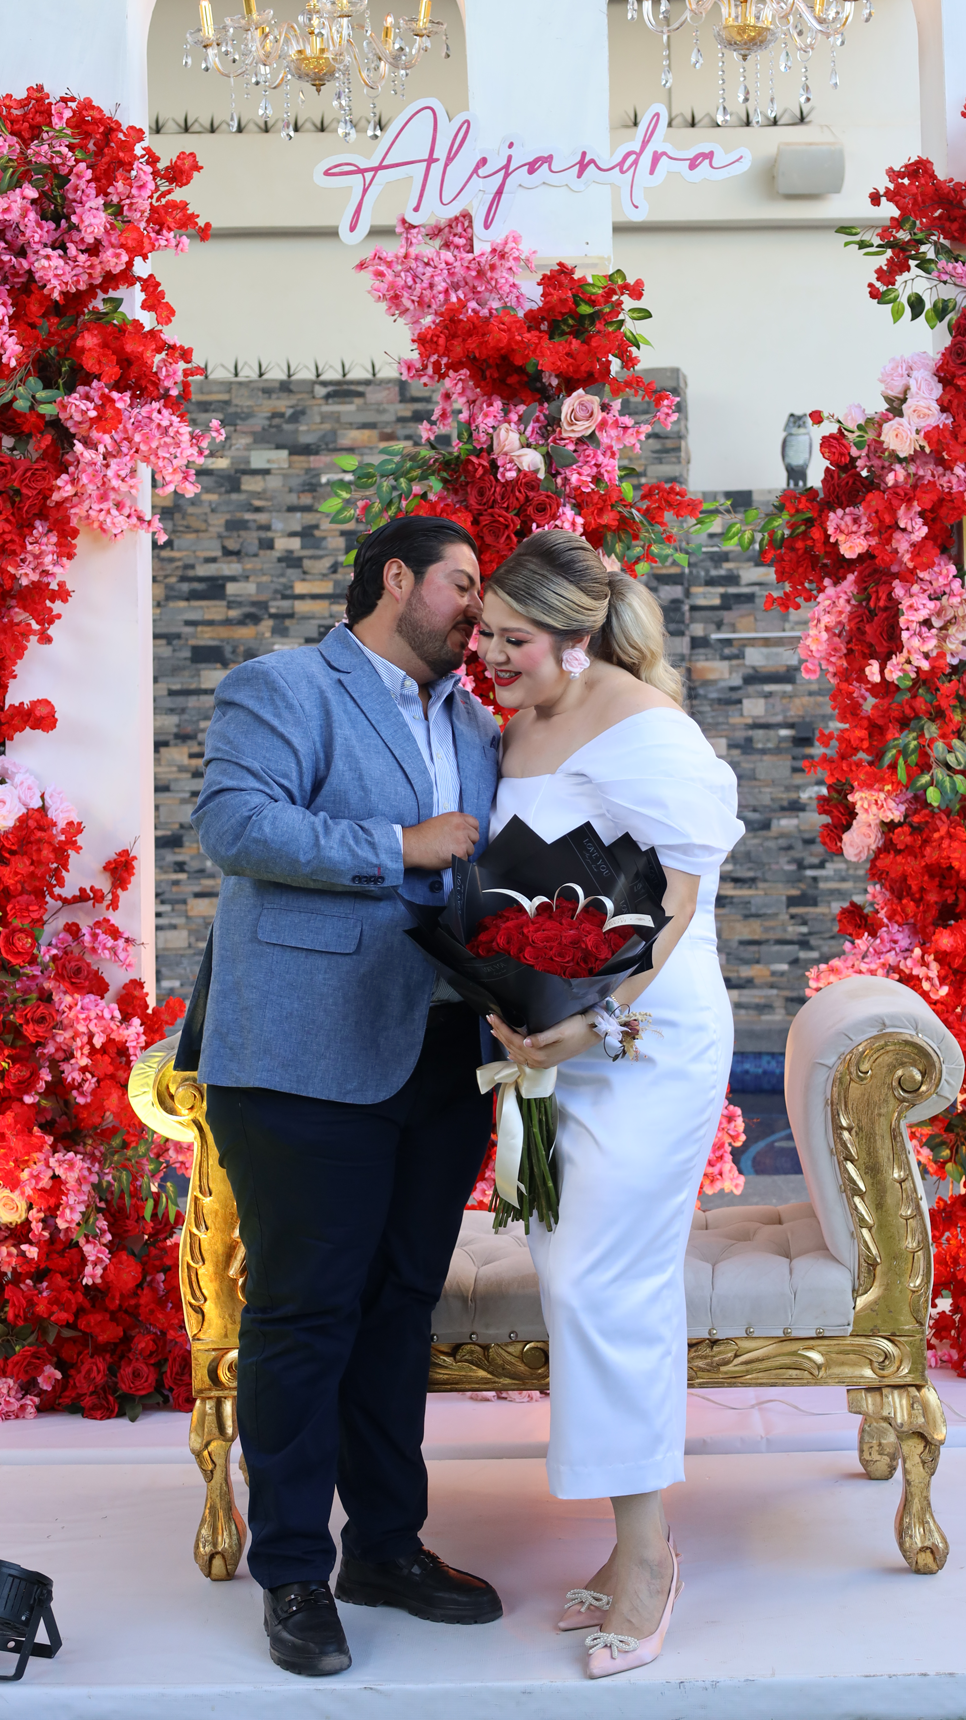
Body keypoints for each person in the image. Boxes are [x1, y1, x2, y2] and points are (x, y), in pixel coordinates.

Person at [191, 515, 504, 1679]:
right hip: (302, 1057)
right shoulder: (284, 686)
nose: (476, 608)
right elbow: (235, 825)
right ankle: (291, 1574)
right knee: (304, 1312)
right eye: (462, 583)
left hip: (442, 1054)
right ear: (396, 579)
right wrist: (398, 845)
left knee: (398, 1308)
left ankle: (384, 1547)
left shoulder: (476, 722)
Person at [476, 529, 744, 1682]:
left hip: (646, 1039)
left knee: (604, 1282)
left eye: (513, 639)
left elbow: (677, 902)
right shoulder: (520, 724)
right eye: (484, 633)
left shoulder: (646, 726)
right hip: (557, 1041)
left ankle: (646, 1559)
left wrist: (601, 1020)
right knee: (573, 1273)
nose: (490, 655)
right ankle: (630, 1539)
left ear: (576, 639)